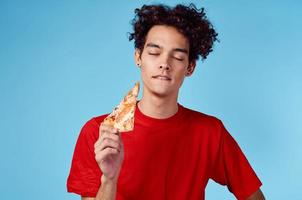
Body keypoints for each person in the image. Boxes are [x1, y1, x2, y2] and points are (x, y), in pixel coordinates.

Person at [67, 3, 265, 200]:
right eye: (154, 53)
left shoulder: (210, 132)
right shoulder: (99, 132)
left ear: (190, 67)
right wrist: (109, 179)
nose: (165, 64)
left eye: (178, 57)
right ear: (138, 57)